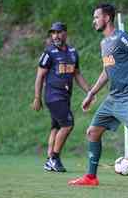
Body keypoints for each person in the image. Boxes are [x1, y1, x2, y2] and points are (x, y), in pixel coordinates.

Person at [68, 3, 128, 194]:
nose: (94, 21)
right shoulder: (104, 43)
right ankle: (91, 177)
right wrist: (91, 93)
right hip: (113, 99)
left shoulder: (123, 38)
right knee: (92, 132)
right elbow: (106, 71)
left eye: (96, 17)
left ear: (107, 18)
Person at [32, 22, 90, 172]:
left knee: (56, 127)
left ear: (65, 33)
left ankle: (48, 160)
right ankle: (54, 158)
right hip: (53, 95)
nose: (55, 36)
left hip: (65, 96)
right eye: (53, 33)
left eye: (58, 32)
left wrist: (89, 91)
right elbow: (39, 76)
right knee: (68, 125)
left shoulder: (72, 52)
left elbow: (77, 74)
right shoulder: (49, 53)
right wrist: (37, 97)